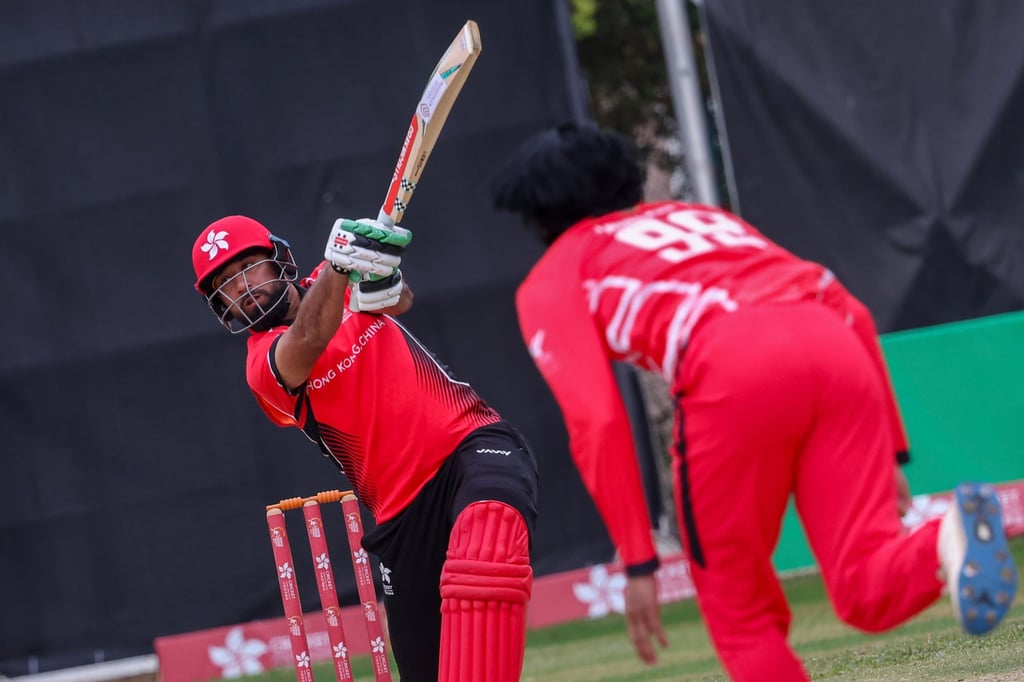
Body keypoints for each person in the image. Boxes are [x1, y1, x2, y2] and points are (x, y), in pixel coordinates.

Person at [489, 120, 1018, 681]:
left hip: (728, 364)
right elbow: (853, 311)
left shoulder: (552, 280)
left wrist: (638, 559)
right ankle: (948, 533)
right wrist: (891, 454)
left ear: (535, 215)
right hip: (833, 345)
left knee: (740, 616)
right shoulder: (703, 219)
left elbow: (597, 420)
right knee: (866, 588)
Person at [190, 214, 539, 682]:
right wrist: (341, 268)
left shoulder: (338, 275)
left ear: (279, 259)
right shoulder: (263, 366)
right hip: (400, 514)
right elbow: (310, 337)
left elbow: (399, 301)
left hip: (469, 444)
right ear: (220, 305)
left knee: (486, 541)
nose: (244, 288)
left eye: (249, 267)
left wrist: (381, 277)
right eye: (226, 284)